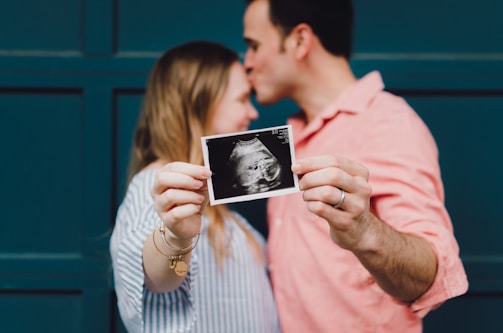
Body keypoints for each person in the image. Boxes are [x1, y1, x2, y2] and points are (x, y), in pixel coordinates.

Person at [242, 0, 469, 332]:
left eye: (254, 45)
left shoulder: (387, 123)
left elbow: (429, 276)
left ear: (300, 41)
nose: (246, 63)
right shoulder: (289, 137)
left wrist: (362, 230)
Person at [110, 40, 280, 333]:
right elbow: (158, 277)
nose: (252, 113)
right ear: (199, 104)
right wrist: (176, 238)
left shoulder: (215, 206)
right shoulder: (158, 188)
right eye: (241, 99)